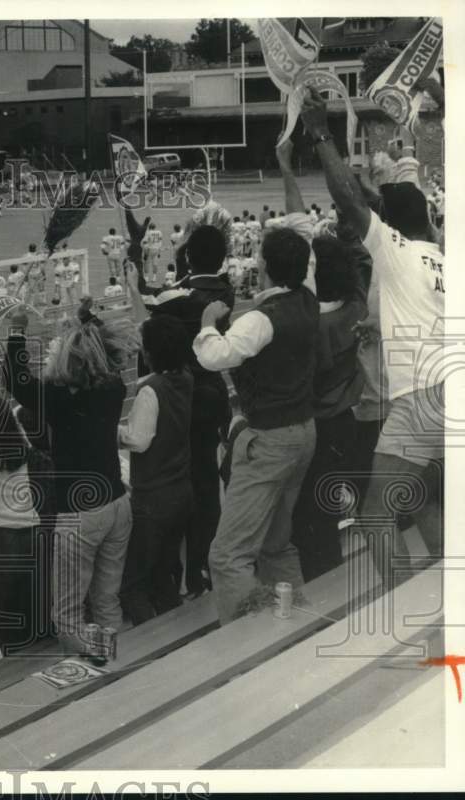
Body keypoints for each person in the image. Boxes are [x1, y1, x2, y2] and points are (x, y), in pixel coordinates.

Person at [302, 87, 445, 563]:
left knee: (376, 515)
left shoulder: (396, 251)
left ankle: (399, 624)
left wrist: (321, 131)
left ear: (392, 225)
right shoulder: (442, 253)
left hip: (422, 400)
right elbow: (379, 204)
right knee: (425, 492)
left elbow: (348, 200)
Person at [194, 227, 318, 624]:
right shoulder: (307, 299)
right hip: (303, 431)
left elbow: (214, 356)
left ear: (263, 264)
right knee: (276, 544)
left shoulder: (261, 320)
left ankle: (245, 650)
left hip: (270, 438)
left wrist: (208, 321)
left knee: (227, 556)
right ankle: (295, 624)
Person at [4, 300, 134, 654]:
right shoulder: (112, 388)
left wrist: (16, 332)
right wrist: (85, 322)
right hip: (118, 504)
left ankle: (87, 680)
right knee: (106, 601)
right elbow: (101, 353)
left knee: (67, 613)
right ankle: (113, 662)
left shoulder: (58, 399)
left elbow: (17, 381)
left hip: (80, 515)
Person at [147, 225, 234, 598]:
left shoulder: (176, 296)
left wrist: (179, 252)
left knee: (180, 479)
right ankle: (203, 563)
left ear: (190, 257)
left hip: (182, 394)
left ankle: (182, 572)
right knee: (206, 479)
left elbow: (151, 298)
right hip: (214, 393)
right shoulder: (224, 291)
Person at [290, 235, 366, 581]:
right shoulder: (356, 306)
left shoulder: (310, 324)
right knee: (343, 506)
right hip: (349, 421)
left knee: (315, 518)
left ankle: (326, 588)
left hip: (319, 426)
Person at [119, 315, 194, 623]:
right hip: (180, 488)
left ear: (150, 353)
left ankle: (152, 645)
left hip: (154, 496)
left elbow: (138, 440)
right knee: (164, 574)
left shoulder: (151, 390)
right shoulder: (186, 377)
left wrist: (110, 429)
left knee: (134, 585)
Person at [0, 393, 54, 659]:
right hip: (35, 540)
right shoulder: (29, 453)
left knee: (4, 624)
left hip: (0, 543)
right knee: (37, 618)